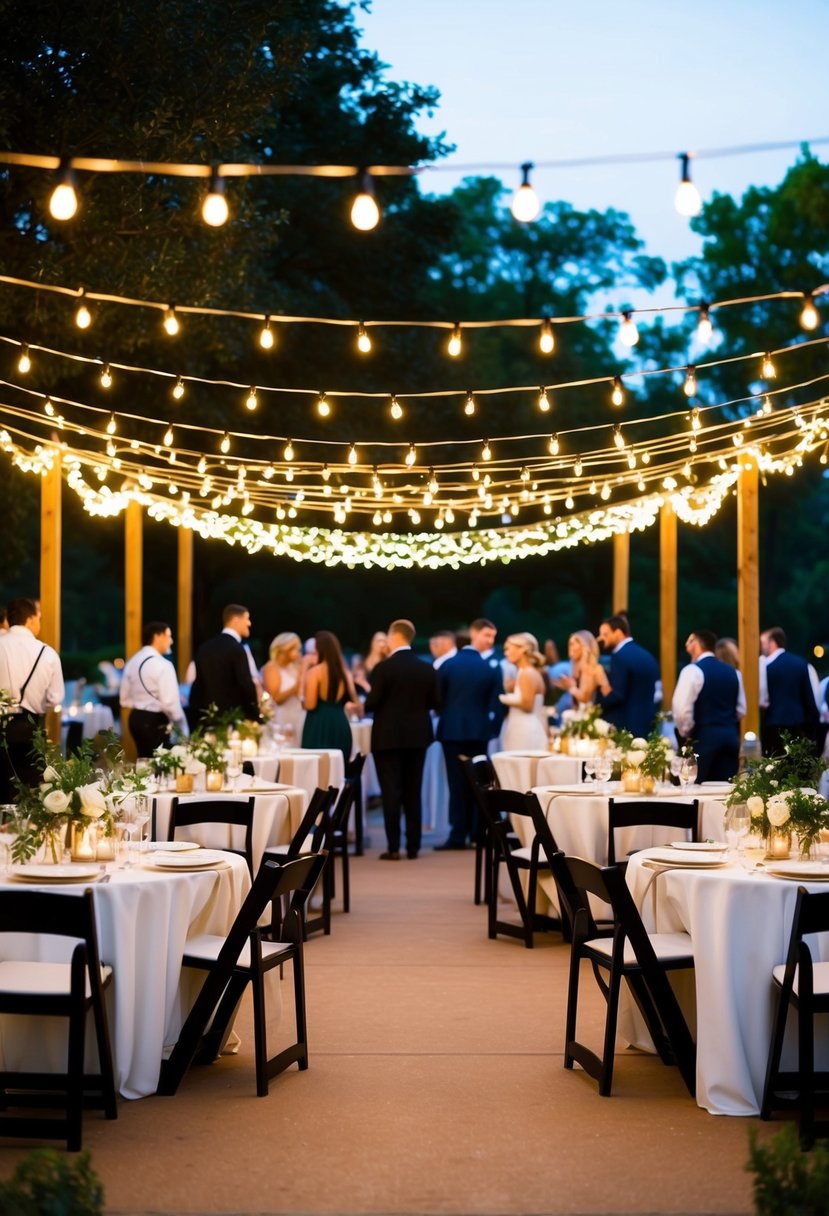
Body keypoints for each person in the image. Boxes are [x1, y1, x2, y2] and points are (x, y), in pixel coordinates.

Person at [364, 619, 439, 860]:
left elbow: (372, 703)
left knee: (391, 792)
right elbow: (436, 703)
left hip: (387, 737)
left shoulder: (383, 668)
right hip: (417, 736)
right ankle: (414, 847)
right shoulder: (427, 668)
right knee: (412, 791)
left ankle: (394, 847)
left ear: (395, 636)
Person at [435, 617, 504, 850]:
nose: (490, 641)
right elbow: (497, 703)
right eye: (487, 635)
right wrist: (491, 729)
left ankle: (457, 835)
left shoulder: (448, 665)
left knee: (457, 783)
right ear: (473, 635)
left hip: (452, 731)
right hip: (479, 731)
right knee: (478, 782)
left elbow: (438, 699)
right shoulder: (490, 668)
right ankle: (478, 833)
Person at [0, 596, 65, 799]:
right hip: (29, 726)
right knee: (30, 790)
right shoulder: (47, 653)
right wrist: (35, 703)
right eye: (39, 618)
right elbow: (55, 698)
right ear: (30, 619)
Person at [672, 629, 745, 783]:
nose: (686, 645)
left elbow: (681, 710)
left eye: (690, 641)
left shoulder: (693, 670)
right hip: (730, 737)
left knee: (693, 788)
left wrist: (687, 733)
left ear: (698, 644)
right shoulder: (734, 673)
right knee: (725, 790)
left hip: (703, 738)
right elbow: (741, 709)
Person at [120, 621, 189, 756]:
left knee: (143, 760)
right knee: (159, 766)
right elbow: (170, 704)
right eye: (168, 636)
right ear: (157, 636)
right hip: (155, 721)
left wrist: (141, 702)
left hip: (135, 719)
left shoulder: (132, 662)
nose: (171, 641)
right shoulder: (164, 665)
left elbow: (124, 699)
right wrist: (183, 728)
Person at [188, 603, 260, 724]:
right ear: (236, 620)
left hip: (207, 718)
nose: (249, 623)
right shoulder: (237, 648)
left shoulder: (205, 648)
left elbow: (198, 685)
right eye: (247, 618)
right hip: (233, 718)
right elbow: (245, 684)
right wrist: (254, 715)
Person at [594, 614, 659, 739]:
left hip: (626, 726)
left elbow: (617, 696)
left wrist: (602, 684)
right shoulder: (647, 655)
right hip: (647, 723)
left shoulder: (619, 656)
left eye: (605, 634)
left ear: (618, 633)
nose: (601, 638)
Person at [759, 626, 820, 755]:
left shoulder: (765, 666)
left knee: (773, 766)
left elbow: (762, 698)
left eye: (763, 643)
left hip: (773, 724)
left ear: (773, 642)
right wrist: (812, 730)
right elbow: (808, 698)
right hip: (798, 723)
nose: (761, 647)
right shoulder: (801, 663)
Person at [301, 630, 359, 760]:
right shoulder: (345, 673)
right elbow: (356, 702)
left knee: (317, 772)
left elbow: (310, 705)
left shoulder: (315, 672)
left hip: (318, 725)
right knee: (338, 770)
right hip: (340, 724)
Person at [499, 632, 549, 749]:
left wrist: (502, 698)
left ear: (522, 650)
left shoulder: (527, 673)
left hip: (525, 730)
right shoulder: (524, 672)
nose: (506, 653)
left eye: (508, 649)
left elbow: (527, 705)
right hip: (521, 726)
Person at [261, 631, 305, 742]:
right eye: (295, 649)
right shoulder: (271, 668)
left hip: (297, 714)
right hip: (280, 717)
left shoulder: (294, 667)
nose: (298, 653)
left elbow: (300, 694)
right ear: (286, 649)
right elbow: (276, 699)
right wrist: (296, 686)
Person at [555, 630, 604, 707]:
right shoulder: (575, 668)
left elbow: (585, 699)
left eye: (572, 644)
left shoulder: (589, 668)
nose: (570, 648)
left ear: (584, 646)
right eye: (569, 644)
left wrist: (571, 687)